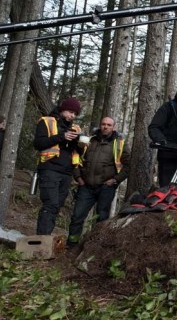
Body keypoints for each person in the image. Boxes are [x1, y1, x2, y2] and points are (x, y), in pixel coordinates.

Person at [66, 116, 130, 246]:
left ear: (114, 127)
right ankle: (71, 245)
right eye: (103, 124)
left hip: (106, 187)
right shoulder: (89, 140)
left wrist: (115, 180)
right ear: (100, 125)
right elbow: (76, 157)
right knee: (77, 216)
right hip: (86, 186)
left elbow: (128, 165)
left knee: (101, 219)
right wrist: (78, 177)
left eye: (109, 125)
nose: (105, 127)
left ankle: (94, 247)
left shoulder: (120, 143)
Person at [34, 97, 84, 235]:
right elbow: (38, 144)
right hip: (49, 169)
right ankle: (42, 238)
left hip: (66, 172)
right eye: (70, 112)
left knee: (57, 206)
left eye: (75, 114)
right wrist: (62, 136)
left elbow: (77, 153)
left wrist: (80, 145)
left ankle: (46, 236)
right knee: (50, 204)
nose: (72, 116)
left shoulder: (75, 128)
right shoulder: (47, 121)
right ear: (63, 109)